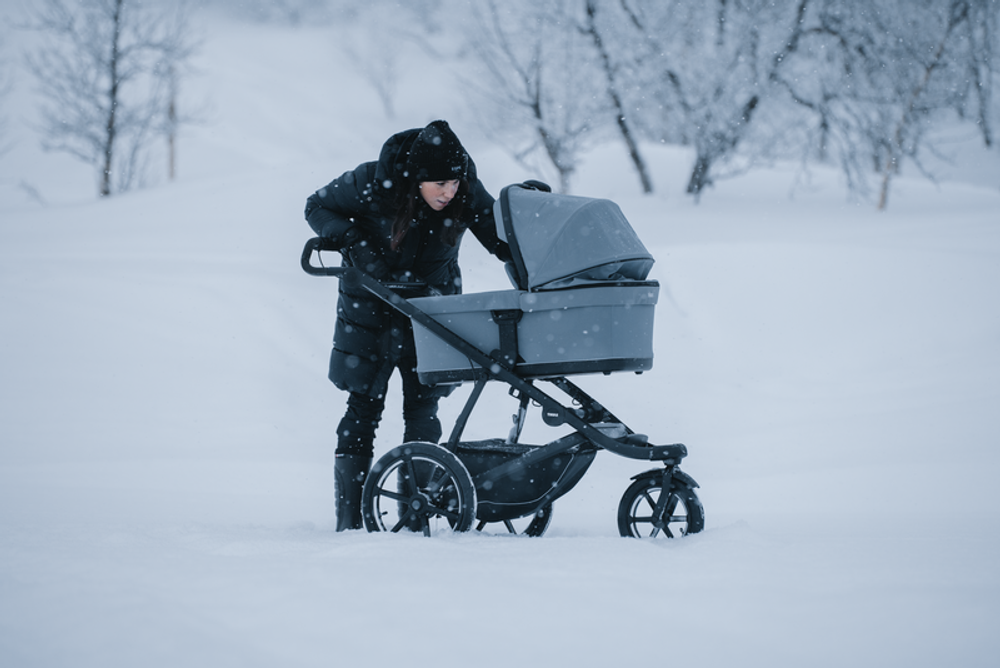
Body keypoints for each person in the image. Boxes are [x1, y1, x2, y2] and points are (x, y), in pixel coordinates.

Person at [304, 120, 512, 531]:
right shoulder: (371, 181)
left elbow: (496, 234)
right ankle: (349, 522)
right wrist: (354, 243)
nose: (450, 191)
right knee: (363, 406)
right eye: (440, 184)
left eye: (454, 182)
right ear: (416, 178)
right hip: (369, 307)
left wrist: (525, 246)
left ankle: (415, 515)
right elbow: (316, 206)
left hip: (431, 309)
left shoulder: (463, 185)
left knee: (423, 407)